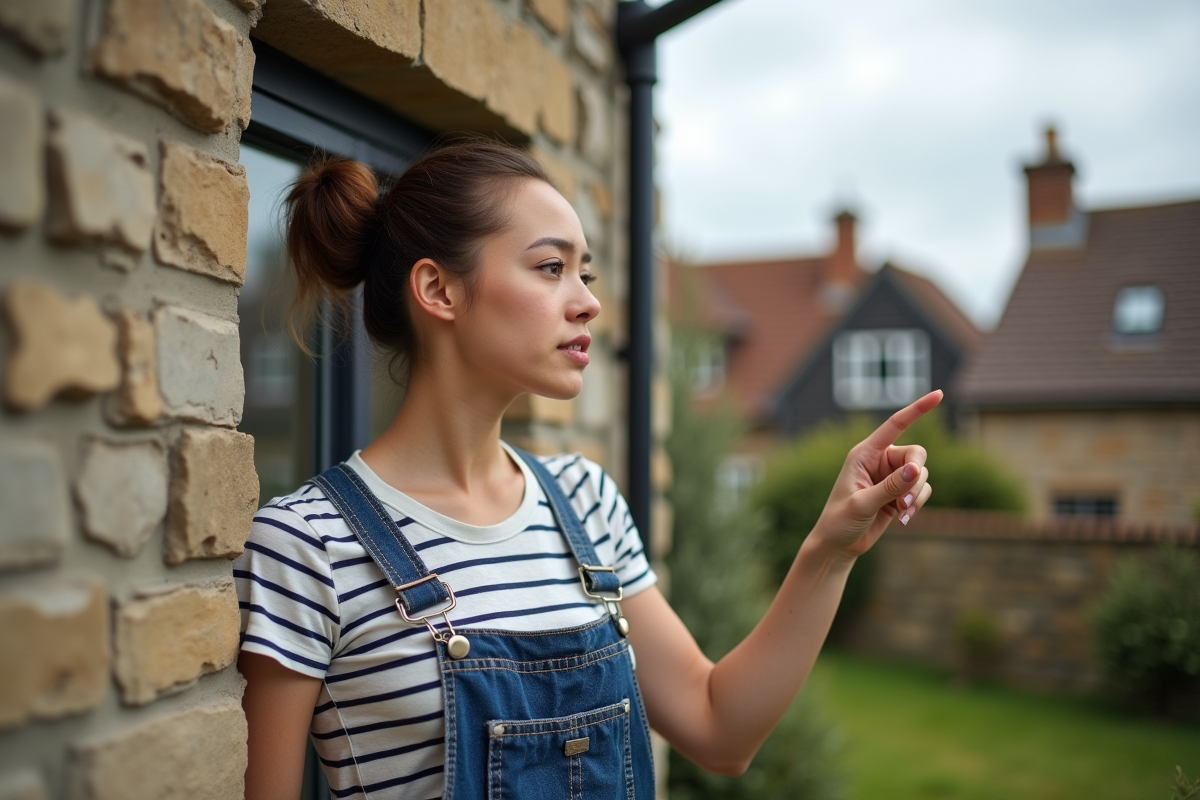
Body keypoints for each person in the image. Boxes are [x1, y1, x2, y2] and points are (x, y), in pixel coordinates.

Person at [236, 138, 940, 800]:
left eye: (586, 271)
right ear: (440, 291)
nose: (589, 301)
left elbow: (719, 728)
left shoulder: (584, 503)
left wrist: (830, 550)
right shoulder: (308, 546)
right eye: (551, 267)